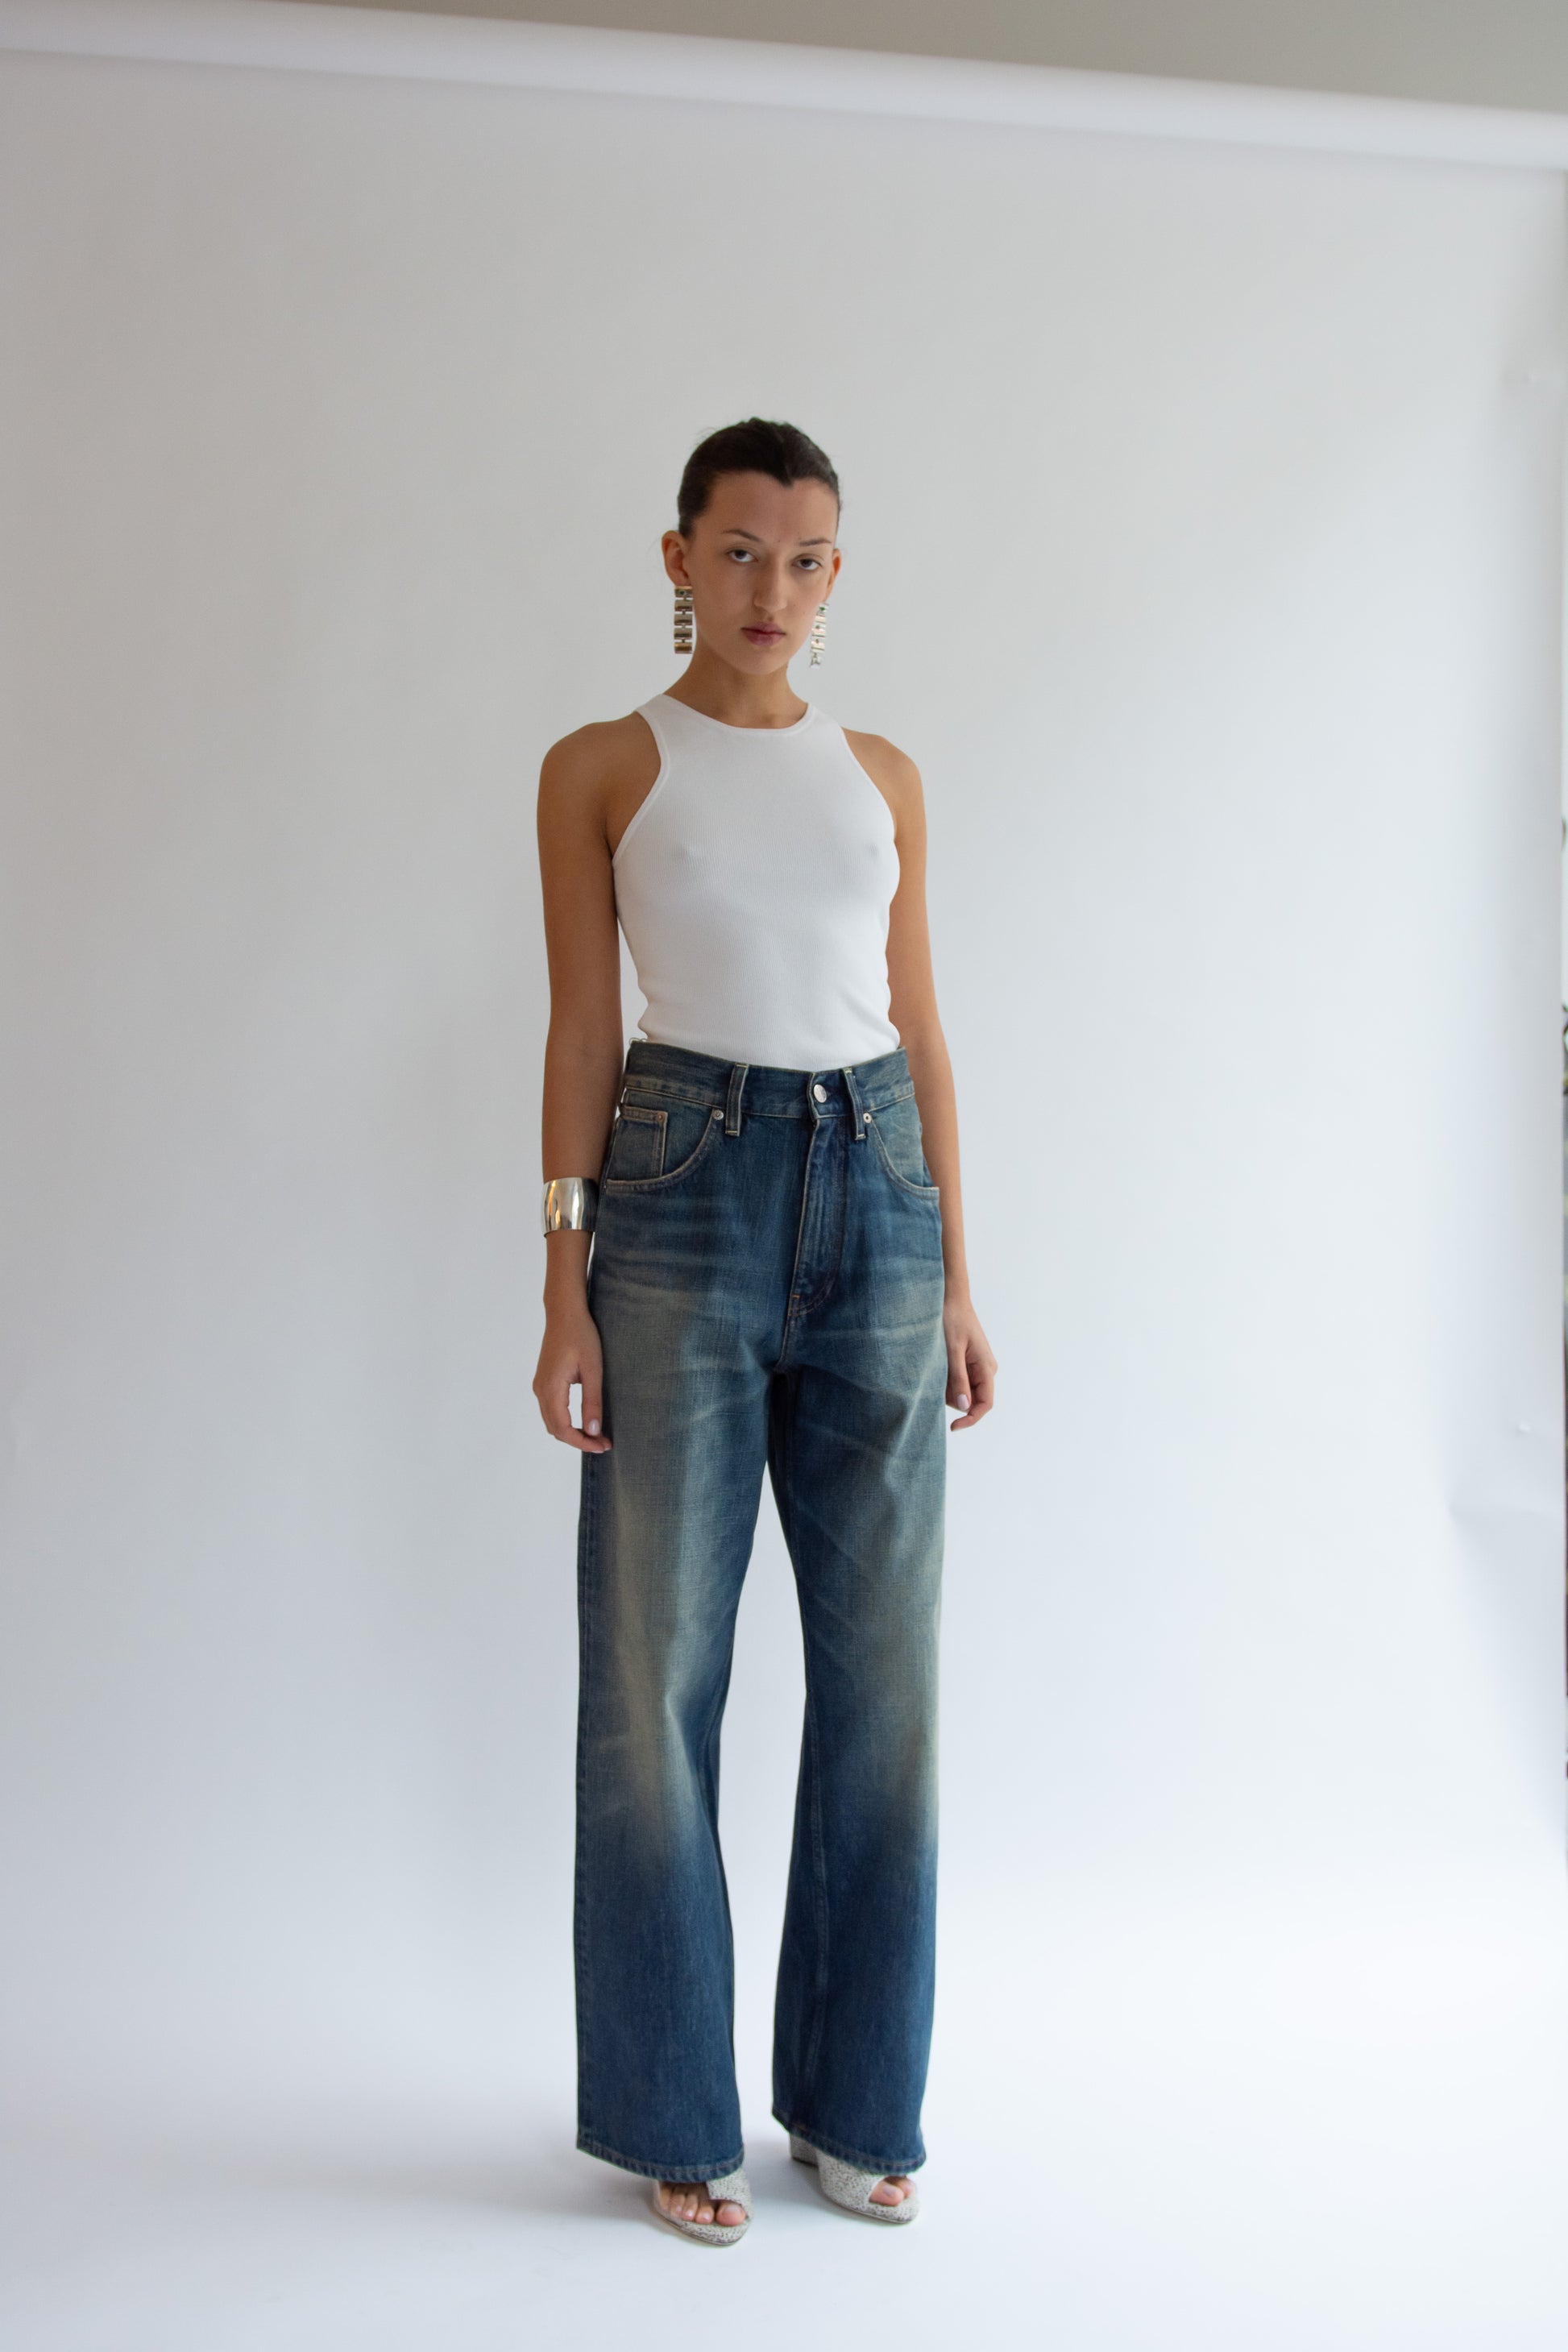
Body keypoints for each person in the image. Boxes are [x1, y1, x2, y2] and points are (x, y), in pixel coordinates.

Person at [533, 417, 996, 2245]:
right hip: (679, 1194)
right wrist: (561, 1278)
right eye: (737, 553)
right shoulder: (602, 765)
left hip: (877, 1195)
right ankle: (673, 2109)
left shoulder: (880, 774)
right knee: (657, 1678)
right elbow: (583, 1029)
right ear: (677, 559)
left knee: (887, 1687)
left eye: (803, 561)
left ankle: (855, 2103)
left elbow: (921, 1027)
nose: (769, 591)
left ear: (833, 576)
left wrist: (956, 1272)